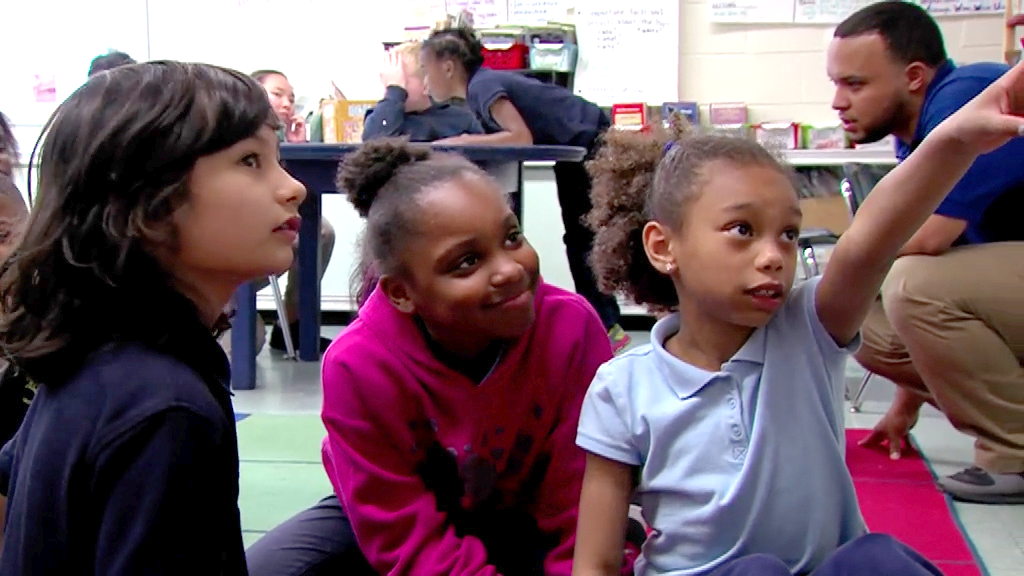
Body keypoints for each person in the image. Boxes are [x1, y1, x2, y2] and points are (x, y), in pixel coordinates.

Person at [570, 56, 1024, 576]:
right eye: (742, 230)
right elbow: (597, 560)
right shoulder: (622, 387)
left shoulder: (808, 330)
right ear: (663, 245)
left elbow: (869, 244)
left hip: (822, 568)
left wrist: (955, 139)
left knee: (875, 559)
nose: (773, 255)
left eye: (788, 234)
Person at [245, 137, 615, 575]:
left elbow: (578, 503)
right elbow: (400, 530)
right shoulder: (358, 363)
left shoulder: (570, 328)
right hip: (399, 516)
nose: (510, 269)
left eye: (512, 237)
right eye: (466, 262)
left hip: (525, 517)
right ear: (402, 293)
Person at [0, 60, 307, 574]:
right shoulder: (165, 408)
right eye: (251, 161)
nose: (292, 187)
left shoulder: (100, 352)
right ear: (149, 206)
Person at [827, 1, 1024, 503]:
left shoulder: (970, 97)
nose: (837, 101)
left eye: (855, 84)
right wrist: (904, 408)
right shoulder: (917, 130)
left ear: (914, 77)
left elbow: (923, 241)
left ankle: (1016, 453)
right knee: (865, 326)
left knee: (907, 283)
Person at [420, 26, 630, 354]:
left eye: (426, 70)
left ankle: (607, 326)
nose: (424, 80)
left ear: (447, 67)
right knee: (578, 237)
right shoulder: (480, 89)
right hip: (577, 143)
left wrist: (462, 142)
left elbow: (520, 137)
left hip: (589, 140)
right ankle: (603, 323)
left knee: (582, 238)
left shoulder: (483, 86)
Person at [250, 69, 336, 352]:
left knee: (320, 230)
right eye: (277, 95)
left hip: (266, 235)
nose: (287, 104)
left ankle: (295, 323)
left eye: (291, 98)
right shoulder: (234, 139)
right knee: (246, 343)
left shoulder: (281, 142)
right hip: (231, 246)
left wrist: (297, 150)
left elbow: (301, 200)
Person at [362, 41, 483, 142]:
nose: (390, 86)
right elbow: (373, 147)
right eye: (387, 80)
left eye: (400, 79)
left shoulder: (460, 119)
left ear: (426, 84)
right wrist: (394, 92)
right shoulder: (382, 116)